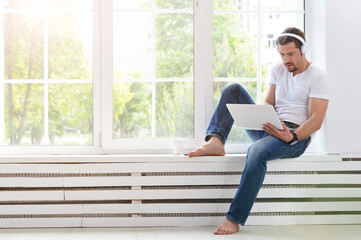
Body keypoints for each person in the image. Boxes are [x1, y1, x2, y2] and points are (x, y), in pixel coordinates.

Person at [188, 27, 330, 235]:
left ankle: (234, 218)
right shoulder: (279, 69)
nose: (286, 59)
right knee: (233, 90)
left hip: (295, 137)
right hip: (271, 126)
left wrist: (291, 135)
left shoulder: (317, 77)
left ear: (303, 50)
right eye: (282, 54)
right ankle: (216, 141)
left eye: (290, 54)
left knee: (256, 151)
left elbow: (316, 120)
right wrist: (265, 117)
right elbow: (268, 102)